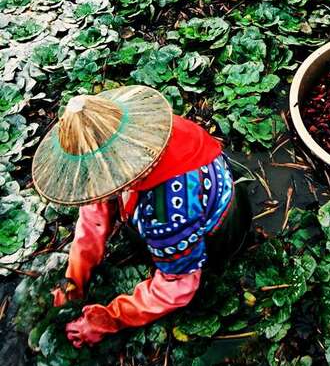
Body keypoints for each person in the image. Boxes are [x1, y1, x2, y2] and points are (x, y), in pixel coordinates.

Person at [31, 85, 251, 348]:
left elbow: (177, 289)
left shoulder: (166, 214)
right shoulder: (146, 134)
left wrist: (109, 319)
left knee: (165, 253)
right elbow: (94, 213)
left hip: (221, 226)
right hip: (208, 181)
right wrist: (75, 278)